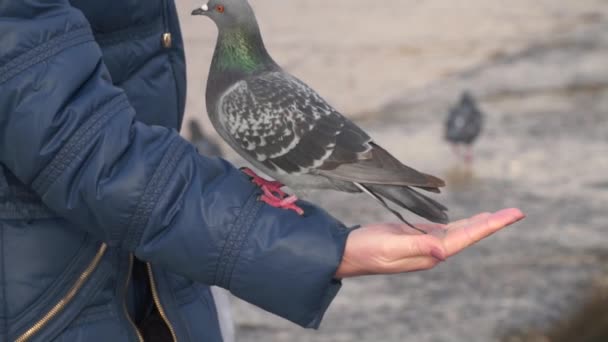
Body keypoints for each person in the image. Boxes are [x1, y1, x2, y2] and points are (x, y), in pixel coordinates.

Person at [0, 1, 525, 342]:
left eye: (215, 8)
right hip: (57, 299)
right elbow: (80, 144)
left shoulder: (246, 94)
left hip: (159, 283)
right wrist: (315, 245)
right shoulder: (248, 94)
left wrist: (318, 244)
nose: (203, 9)